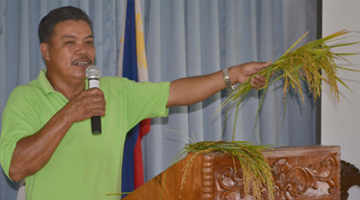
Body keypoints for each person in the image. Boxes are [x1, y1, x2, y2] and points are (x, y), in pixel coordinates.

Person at [0, 6, 271, 200]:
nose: (83, 51)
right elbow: (15, 168)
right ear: (45, 51)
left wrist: (232, 75)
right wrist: (70, 113)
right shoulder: (26, 98)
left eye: (89, 42)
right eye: (70, 42)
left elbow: (176, 92)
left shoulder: (116, 91)